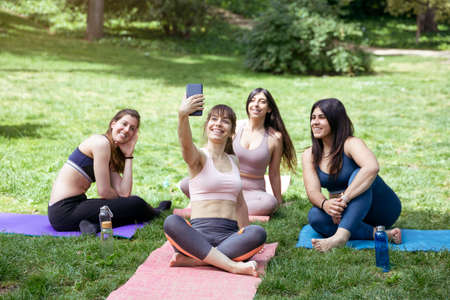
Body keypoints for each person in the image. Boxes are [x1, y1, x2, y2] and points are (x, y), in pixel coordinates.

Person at [163, 94, 266, 276]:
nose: (218, 124)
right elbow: (186, 147)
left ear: (232, 131)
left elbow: (240, 203)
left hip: (229, 234)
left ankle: (195, 260)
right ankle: (232, 266)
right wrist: (182, 116)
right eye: (214, 119)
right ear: (207, 126)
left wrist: (245, 230)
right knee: (172, 222)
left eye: (225, 121)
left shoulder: (234, 160)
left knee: (257, 232)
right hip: (198, 235)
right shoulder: (199, 157)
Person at [302, 98, 402, 252]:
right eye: (313, 118)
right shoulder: (310, 154)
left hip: (381, 209)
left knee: (359, 174)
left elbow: (372, 168)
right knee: (315, 215)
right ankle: (380, 234)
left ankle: (340, 237)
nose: (315, 122)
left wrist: (343, 200)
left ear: (335, 120)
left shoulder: (351, 143)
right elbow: (313, 192)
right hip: (347, 214)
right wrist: (326, 205)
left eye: (321, 117)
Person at [48, 109, 171, 233]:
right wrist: (125, 203)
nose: (127, 129)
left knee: (130, 204)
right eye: (124, 124)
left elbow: (124, 192)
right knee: (136, 203)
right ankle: (155, 212)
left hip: (75, 206)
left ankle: (93, 226)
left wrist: (129, 155)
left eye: (132, 128)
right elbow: (104, 192)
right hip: (64, 211)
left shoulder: (109, 149)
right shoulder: (101, 143)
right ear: (113, 124)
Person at [180, 87, 297, 215]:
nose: (256, 105)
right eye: (252, 100)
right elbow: (215, 152)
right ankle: (227, 207)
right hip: (226, 184)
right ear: (248, 105)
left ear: (269, 109)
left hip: (252, 193)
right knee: (186, 183)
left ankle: (217, 207)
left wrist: (278, 201)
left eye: (262, 101)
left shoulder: (275, 138)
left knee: (269, 202)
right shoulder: (235, 128)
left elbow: (274, 173)